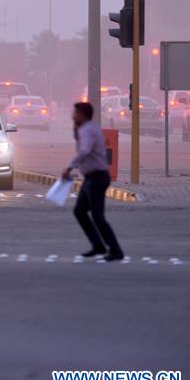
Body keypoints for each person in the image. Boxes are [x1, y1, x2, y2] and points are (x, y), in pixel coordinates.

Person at [63, 102, 124, 261]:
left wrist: (69, 168)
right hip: (92, 177)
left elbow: (85, 150)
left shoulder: (87, 130)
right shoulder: (87, 128)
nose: (73, 115)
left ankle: (115, 250)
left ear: (82, 114)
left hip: (97, 177)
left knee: (98, 216)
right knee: (80, 211)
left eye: (75, 112)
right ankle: (98, 246)